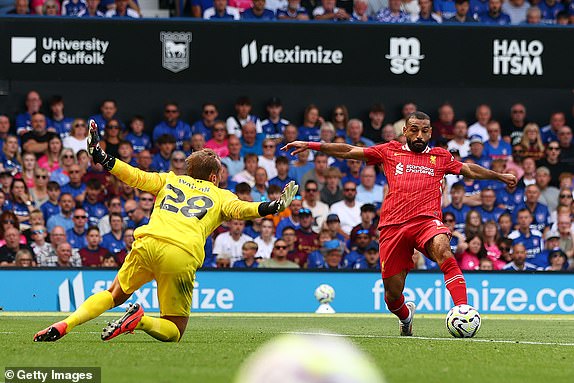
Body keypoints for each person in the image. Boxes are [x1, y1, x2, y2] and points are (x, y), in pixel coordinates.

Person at [34, 120, 298, 343]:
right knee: (174, 330)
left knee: (114, 294)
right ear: (215, 177)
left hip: (147, 242)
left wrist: (102, 157)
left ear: (189, 170)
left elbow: (134, 175)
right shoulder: (220, 196)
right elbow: (246, 209)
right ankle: (141, 320)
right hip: (181, 253)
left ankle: (67, 323)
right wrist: (274, 206)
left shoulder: (169, 179)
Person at [282, 111, 516, 336]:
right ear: (405, 130)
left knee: (444, 250)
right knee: (392, 296)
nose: (419, 136)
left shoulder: (440, 157)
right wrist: (312, 145)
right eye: (414, 130)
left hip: (427, 222)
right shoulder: (389, 151)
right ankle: (406, 317)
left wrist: (499, 176)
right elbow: (349, 151)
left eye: (424, 131)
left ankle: (463, 310)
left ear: (430, 132)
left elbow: (467, 169)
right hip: (393, 227)